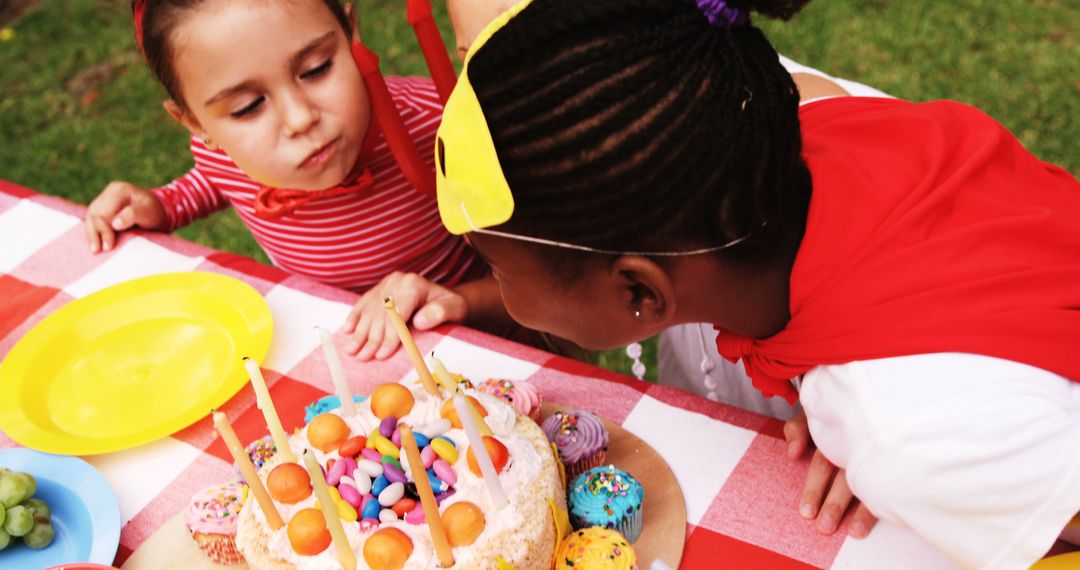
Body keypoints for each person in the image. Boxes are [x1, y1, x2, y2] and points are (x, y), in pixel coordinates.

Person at [431, 0, 1080, 567]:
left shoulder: (916, 437)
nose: (499, 287)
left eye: (498, 270)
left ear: (639, 293)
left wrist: (896, 441)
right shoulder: (803, 116)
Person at [82, 0, 493, 360]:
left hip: (478, 351)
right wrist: (163, 205)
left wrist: (459, 301)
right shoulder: (222, 154)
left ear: (351, 33)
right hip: (337, 358)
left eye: (316, 69)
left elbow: (546, 274)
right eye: (247, 108)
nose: (301, 119)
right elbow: (213, 181)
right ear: (195, 123)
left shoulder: (440, 128)